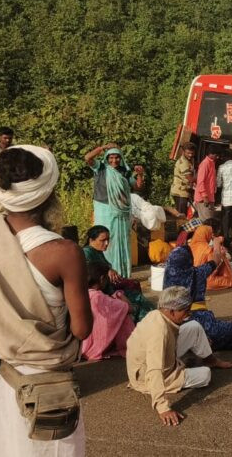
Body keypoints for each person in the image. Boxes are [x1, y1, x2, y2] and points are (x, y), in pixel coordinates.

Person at [0, 145, 92, 455]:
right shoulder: (64, 253)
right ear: (50, 194)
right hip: (49, 388)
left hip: (1, 377)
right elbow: (82, 329)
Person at [126, 286, 232, 426]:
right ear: (171, 311)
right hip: (146, 377)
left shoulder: (157, 314)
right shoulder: (159, 333)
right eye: (186, 311)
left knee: (194, 326)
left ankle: (210, 360)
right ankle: (184, 369)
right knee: (205, 375)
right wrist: (163, 408)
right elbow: (154, 370)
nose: (188, 314)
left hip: (159, 357)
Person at [84, 143, 143, 278]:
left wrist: (140, 174)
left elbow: (137, 186)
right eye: (111, 157)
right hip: (104, 209)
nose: (114, 160)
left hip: (122, 212)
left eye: (117, 157)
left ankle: (122, 273)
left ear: (121, 158)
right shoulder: (101, 167)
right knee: (105, 240)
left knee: (121, 240)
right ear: (106, 158)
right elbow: (87, 158)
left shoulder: (125, 171)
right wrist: (102, 148)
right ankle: (106, 272)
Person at [82, 225, 154, 322]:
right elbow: (92, 272)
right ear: (91, 240)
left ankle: (151, 318)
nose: (106, 243)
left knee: (135, 289)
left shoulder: (97, 251)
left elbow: (105, 266)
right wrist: (108, 270)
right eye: (102, 240)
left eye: (108, 240)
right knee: (136, 300)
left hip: (108, 286)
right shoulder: (86, 253)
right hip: (102, 291)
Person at [82, 262, 135, 361]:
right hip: (94, 348)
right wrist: (119, 295)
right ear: (102, 279)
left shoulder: (82, 294)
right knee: (124, 316)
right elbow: (129, 308)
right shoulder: (98, 297)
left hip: (81, 346)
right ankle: (127, 346)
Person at [189, 225, 232, 290]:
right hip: (207, 282)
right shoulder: (207, 250)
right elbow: (216, 264)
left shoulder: (189, 247)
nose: (211, 236)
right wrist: (217, 245)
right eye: (210, 233)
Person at [194, 147, 219, 222]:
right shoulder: (205, 164)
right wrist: (205, 196)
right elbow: (200, 182)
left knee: (209, 221)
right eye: (216, 155)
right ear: (211, 154)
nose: (217, 157)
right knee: (207, 222)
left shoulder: (212, 163)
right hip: (203, 199)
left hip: (209, 197)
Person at [170, 142, 195, 216]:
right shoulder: (183, 162)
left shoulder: (189, 160)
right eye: (188, 153)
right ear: (183, 152)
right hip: (180, 193)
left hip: (183, 192)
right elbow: (190, 179)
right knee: (181, 217)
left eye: (192, 153)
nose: (190, 155)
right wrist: (200, 175)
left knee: (183, 215)